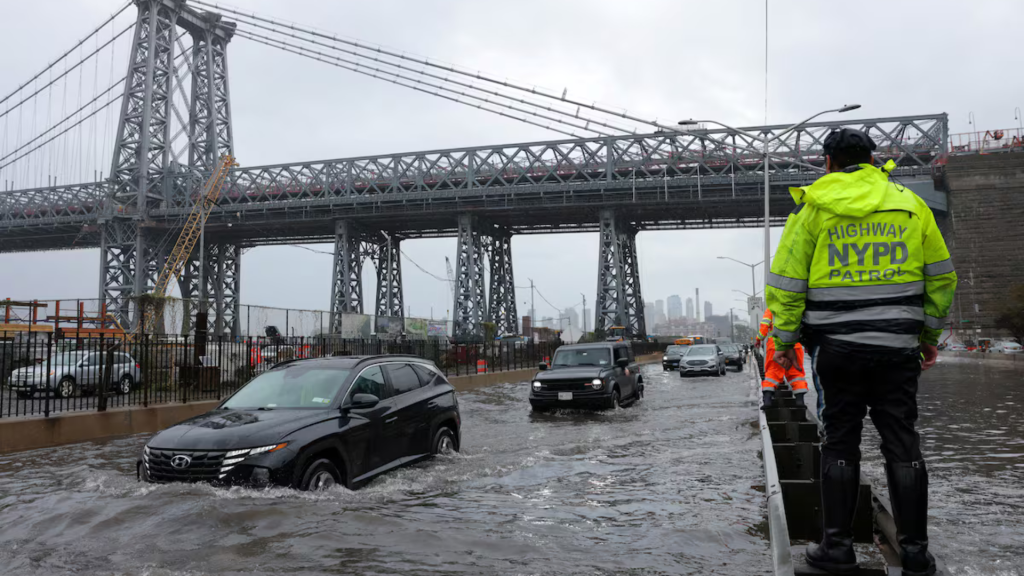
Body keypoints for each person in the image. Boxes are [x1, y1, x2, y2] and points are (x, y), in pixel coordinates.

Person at [765, 127, 956, 575]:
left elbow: (787, 286)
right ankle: (914, 553)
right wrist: (927, 337)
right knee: (902, 443)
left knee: (840, 443)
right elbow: (941, 278)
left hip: (837, 351)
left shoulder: (812, 208)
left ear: (826, 162)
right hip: (897, 350)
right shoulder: (911, 206)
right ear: (874, 160)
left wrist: (787, 343)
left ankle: (837, 549)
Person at [756, 308, 807, 408]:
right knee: (796, 373)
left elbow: (764, 327)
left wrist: (758, 339)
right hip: (794, 344)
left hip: (775, 346)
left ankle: (767, 401)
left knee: (772, 372)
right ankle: (800, 402)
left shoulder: (771, 309)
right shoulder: (796, 307)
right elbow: (805, 326)